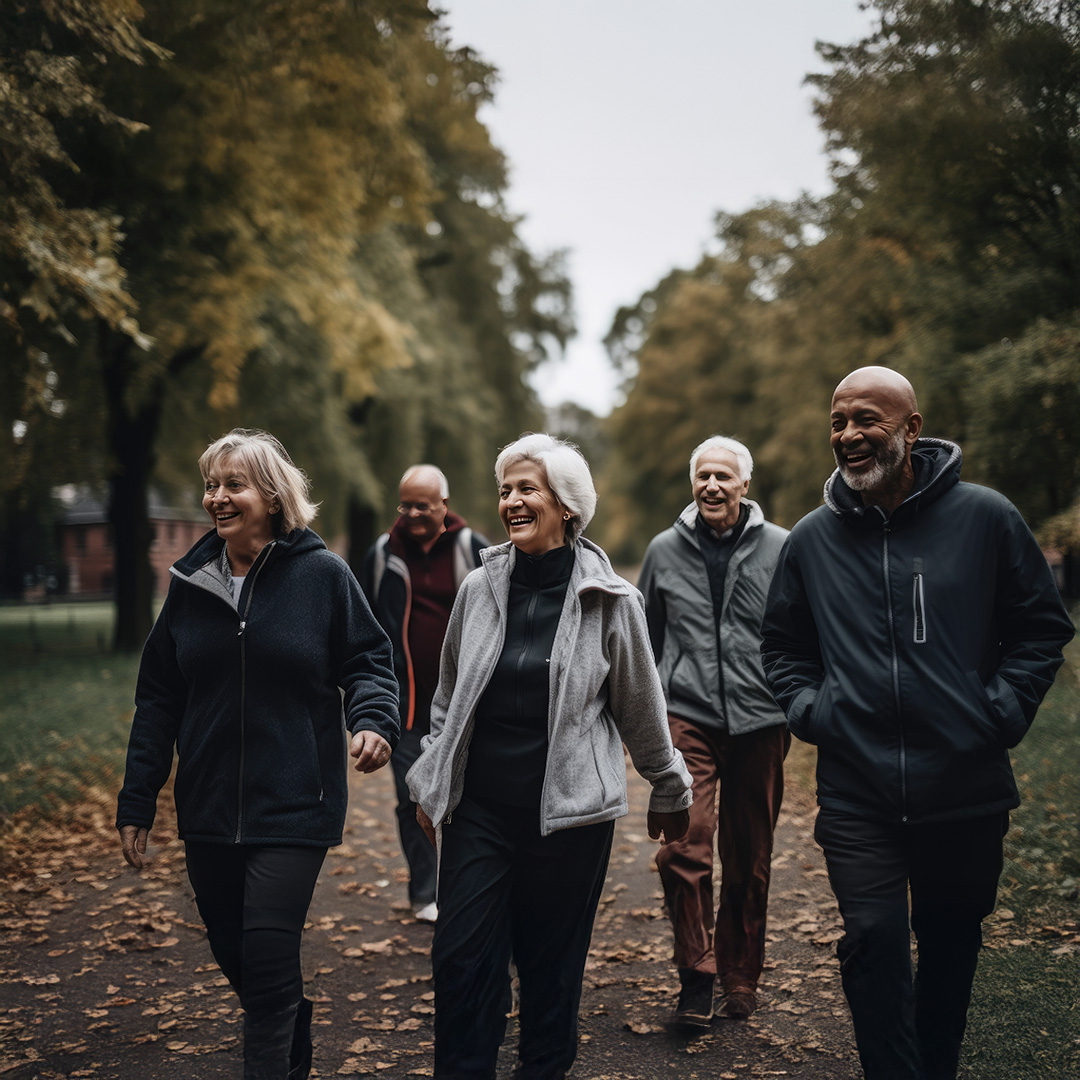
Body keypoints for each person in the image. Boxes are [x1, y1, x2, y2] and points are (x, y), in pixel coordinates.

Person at [760, 368, 1075, 1080]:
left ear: (911, 428)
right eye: (837, 422)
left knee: (951, 942)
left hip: (965, 785)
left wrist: (998, 712)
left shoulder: (987, 517)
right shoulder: (811, 540)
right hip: (856, 789)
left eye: (865, 419)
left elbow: (1039, 630)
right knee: (872, 941)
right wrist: (816, 710)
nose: (847, 435)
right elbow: (782, 648)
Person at [406, 433, 692, 1080]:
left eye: (526, 489)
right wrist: (430, 784)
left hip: (569, 821)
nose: (511, 500)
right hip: (480, 810)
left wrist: (670, 787)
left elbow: (641, 710)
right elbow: (449, 700)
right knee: (460, 961)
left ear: (566, 505)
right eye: (505, 489)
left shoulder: (611, 599)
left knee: (549, 970)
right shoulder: (479, 588)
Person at [116, 429, 399, 1080]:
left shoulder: (323, 576)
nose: (217, 497)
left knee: (269, 958)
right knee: (232, 949)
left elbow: (368, 661)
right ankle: (288, 1024)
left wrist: (374, 720)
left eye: (233, 485)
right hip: (210, 805)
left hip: (296, 803)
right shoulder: (190, 586)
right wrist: (138, 798)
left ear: (271, 496)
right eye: (211, 485)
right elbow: (158, 695)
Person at [638, 436, 791, 1027]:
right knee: (684, 844)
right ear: (692, 483)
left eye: (724, 476)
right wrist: (644, 719)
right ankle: (696, 972)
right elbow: (644, 639)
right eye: (703, 476)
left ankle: (739, 976)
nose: (712, 486)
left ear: (744, 485)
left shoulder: (783, 547)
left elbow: (798, 632)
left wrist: (793, 697)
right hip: (687, 715)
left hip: (762, 719)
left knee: (750, 856)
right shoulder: (663, 550)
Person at [362, 465, 487, 922]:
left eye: (423, 505)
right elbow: (366, 623)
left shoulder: (473, 549)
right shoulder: (382, 553)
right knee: (412, 798)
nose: (412, 514)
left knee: (467, 798)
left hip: (464, 707)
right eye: (405, 504)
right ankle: (424, 892)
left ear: (444, 507)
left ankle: (467, 889)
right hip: (405, 705)